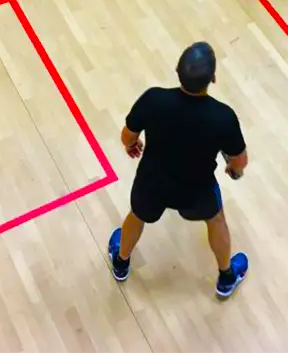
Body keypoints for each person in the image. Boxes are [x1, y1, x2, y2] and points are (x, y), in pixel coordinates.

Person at [107, 42, 251, 298]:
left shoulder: (154, 99)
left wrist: (132, 144)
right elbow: (239, 162)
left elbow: (128, 135)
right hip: (197, 191)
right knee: (216, 220)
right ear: (213, 78)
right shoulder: (223, 117)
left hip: (152, 184)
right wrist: (234, 170)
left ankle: (121, 261)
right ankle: (226, 277)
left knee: (136, 216)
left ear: (177, 70)